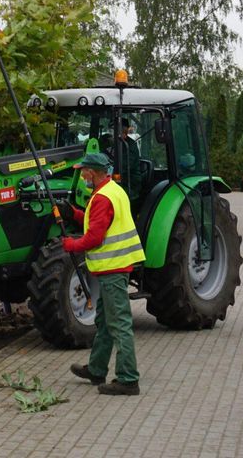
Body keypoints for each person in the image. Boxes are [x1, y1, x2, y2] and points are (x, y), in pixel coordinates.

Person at [64, 151, 144, 396]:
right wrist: (74, 214)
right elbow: (98, 222)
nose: (82, 175)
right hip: (115, 267)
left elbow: (95, 237)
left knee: (119, 323)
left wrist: (71, 245)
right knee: (105, 322)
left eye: (84, 171)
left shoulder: (101, 198)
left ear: (93, 172)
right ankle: (97, 370)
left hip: (112, 267)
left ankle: (128, 379)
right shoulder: (112, 190)